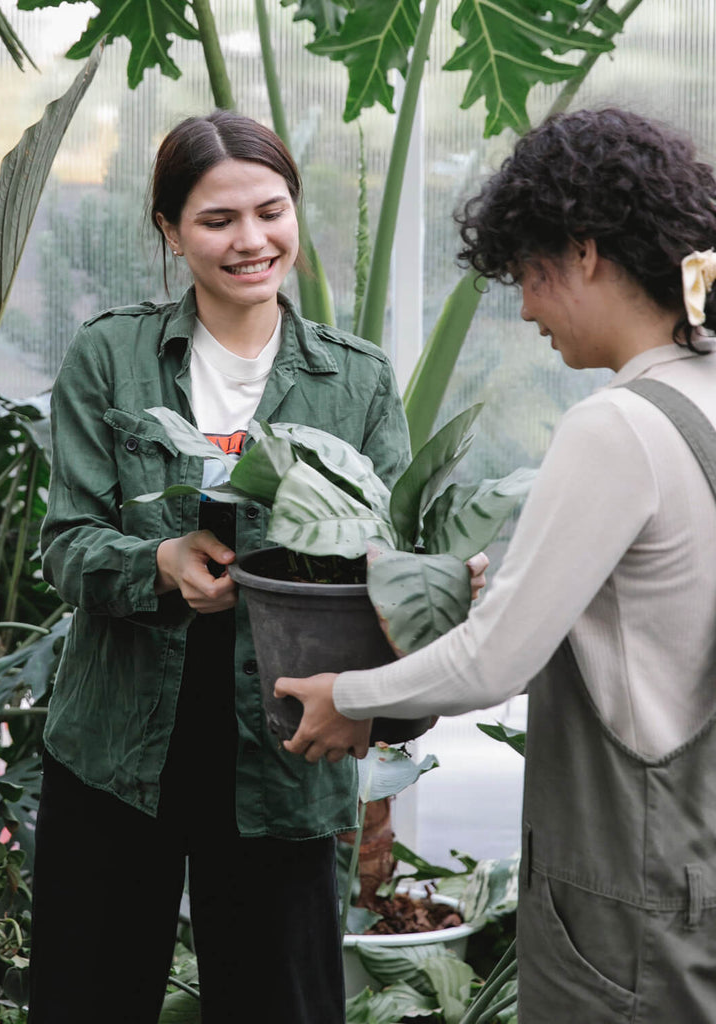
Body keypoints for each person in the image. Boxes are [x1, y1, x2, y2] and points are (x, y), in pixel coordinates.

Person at [275, 107, 716, 1022]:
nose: (525, 309)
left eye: (529, 275)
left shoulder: (617, 426)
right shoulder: (705, 396)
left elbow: (491, 662)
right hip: (696, 864)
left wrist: (345, 695)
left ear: (584, 251)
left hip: (625, 886)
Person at [27, 110, 414, 1023]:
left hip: (284, 746)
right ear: (168, 230)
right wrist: (160, 561)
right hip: (120, 745)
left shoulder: (354, 380)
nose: (252, 241)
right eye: (217, 220)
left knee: (280, 1001)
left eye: (271, 212)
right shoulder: (112, 358)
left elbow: (386, 563)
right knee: (90, 997)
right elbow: (67, 544)